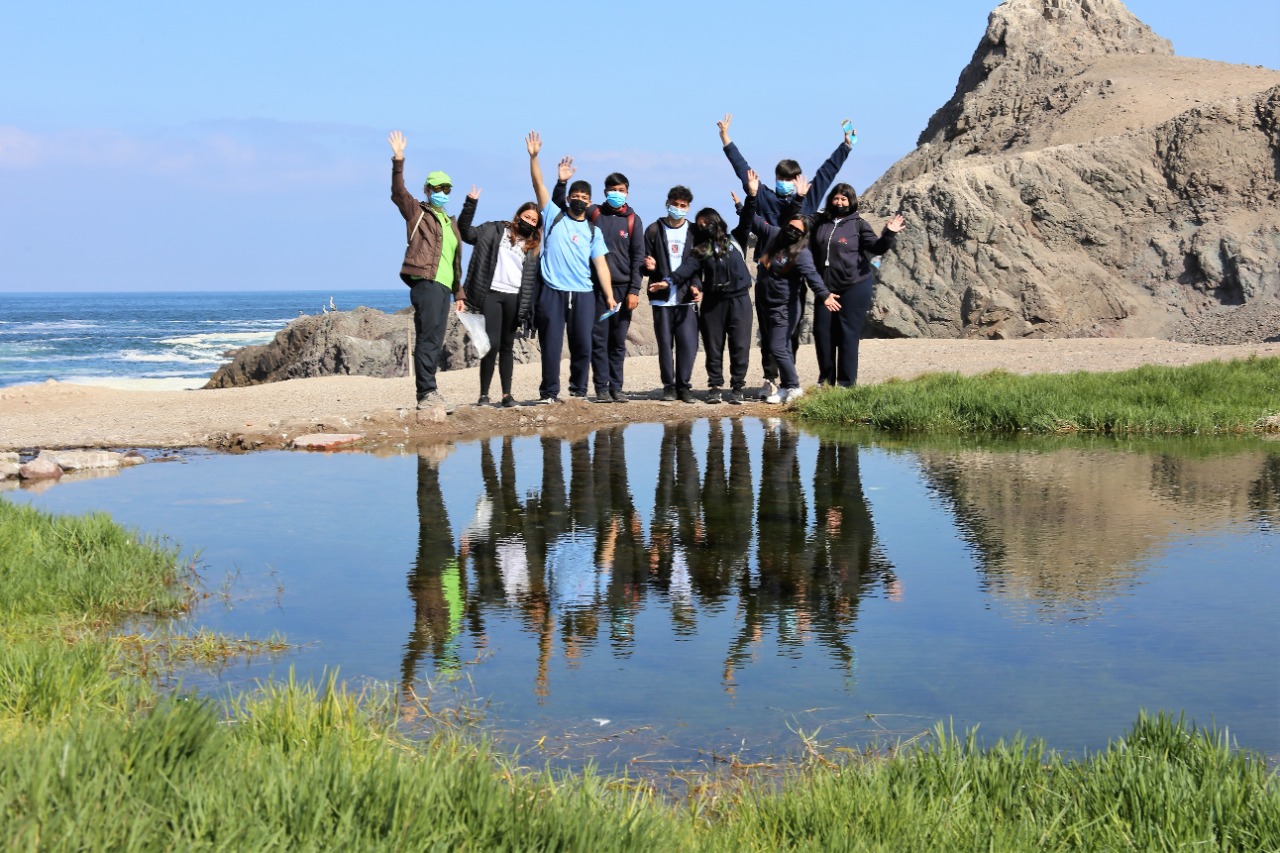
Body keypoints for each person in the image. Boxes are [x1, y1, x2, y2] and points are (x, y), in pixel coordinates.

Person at [716, 113, 856, 399]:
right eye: (782, 178)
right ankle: (770, 377)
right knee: (768, 330)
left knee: (790, 328)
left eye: (790, 179)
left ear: (797, 180)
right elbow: (743, 169)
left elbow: (827, 172)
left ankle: (787, 381)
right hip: (768, 271)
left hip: (796, 272)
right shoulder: (765, 196)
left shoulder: (807, 197)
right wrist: (726, 139)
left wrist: (846, 147)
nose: (785, 182)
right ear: (776, 178)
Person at [525, 132, 615, 404]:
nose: (578, 199)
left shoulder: (592, 230)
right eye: (574, 195)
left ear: (589, 202)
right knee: (551, 347)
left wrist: (610, 296)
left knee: (582, 346)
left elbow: (601, 265)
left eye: (583, 197)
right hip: (552, 291)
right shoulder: (554, 214)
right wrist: (534, 157)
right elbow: (538, 184)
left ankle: (578, 392)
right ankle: (549, 393)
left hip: (584, 293)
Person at [388, 130, 466, 412]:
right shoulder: (417, 212)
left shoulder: (449, 222)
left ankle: (430, 392)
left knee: (434, 338)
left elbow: (455, 261)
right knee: (429, 338)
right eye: (437, 188)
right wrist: (399, 160)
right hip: (426, 281)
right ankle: (427, 394)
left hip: (444, 287)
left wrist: (459, 293)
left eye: (447, 189)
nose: (442, 193)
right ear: (427, 190)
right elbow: (398, 193)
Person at [744, 169, 838, 403]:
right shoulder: (775, 235)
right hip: (767, 303)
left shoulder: (802, 253)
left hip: (786, 307)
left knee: (778, 347)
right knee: (780, 347)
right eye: (791, 227)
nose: (792, 232)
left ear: (803, 235)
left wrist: (825, 295)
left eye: (798, 231)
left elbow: (812, 276)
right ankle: (786, 388)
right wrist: (750, 197)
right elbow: (750, 219)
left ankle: (794, 387)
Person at [553, 171, 643, 402]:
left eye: (621, 190)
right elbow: (562, 209)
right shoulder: (594, 213)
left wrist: (635, 290)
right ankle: (601, 388)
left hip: (623, 291)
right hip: (596, 290)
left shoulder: (634, 220)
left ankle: (617, 387)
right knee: (599, 339)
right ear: (604, 193)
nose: (617, 194)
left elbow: (638, 257)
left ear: (627, 193)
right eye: (613, 190)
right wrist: (562, 183)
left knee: (618, 340)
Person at [807, 183, 906, 386]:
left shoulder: (859, 224)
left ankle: (846, 384)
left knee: (847, 335)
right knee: (822, 333)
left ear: (851, 201)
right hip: (825, 290)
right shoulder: (820, 222)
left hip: (854, 287)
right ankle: (826, 381)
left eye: (844, 199)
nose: (840, 202)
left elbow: (877, 248)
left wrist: (889, 233)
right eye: (836, 198)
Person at [457, 187, 542, 407]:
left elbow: (532, 280)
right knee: (491, 344)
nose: (529, 222)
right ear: (517, 216)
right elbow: (465, 232)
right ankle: (484, 395)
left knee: (506, 346)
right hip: (492, 294)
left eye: (534, 220)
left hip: (514, 298)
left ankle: (507, 395)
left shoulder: (532, 247)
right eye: (526, 217)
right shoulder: (494, 231)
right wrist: (470, 204)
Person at [664, 206, 753, 404]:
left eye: (708, 222)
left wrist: (750, 198)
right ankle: (715, 386)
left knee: (740, 345)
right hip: (713, 303)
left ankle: (738, 387)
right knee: (714, 347)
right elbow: (687, 269)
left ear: (717, 220)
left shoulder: (736, 239)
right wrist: (669, 280)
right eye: (701, 225)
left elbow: (748, 217)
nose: (705, 227)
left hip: (740, 301)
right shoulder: (702, 249)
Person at [642, 186, 699, 402]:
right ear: (668, 203)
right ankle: (669, 386)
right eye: (675, 204)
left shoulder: (694, 232)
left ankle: (684, 386)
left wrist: (696, 286)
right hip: (661, 299)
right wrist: (649, 266)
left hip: (685, 299)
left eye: (683, 206)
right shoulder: (654, 230)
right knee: (665, 344)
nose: (678, 208)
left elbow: (697, 264)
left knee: (687, 344)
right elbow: (644, 261)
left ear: (688, 207)